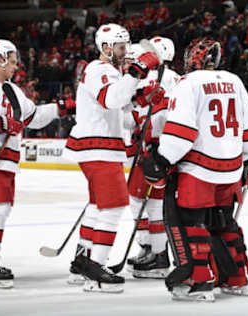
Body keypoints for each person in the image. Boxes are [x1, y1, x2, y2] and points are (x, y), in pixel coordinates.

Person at [142, 39, 248, 301]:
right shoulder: (235, 81)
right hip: (230, 170)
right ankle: (236, 278)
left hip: (197, 170)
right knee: (224, 222)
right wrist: (246, 159)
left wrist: (162, 160)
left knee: (190, 222)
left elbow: (182, 134)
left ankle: (197, 281)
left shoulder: (188, 84)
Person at [0, 39, 73, 289]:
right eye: (11, 61)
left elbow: (33, 117)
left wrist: (59, 109)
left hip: (5, 158)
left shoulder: (11, 89)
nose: (15, 65)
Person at [63, 23, 160, 293]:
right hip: (99, 150)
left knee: (97, 206)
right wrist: (136, 74)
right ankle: (97, 269)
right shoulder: (99, 70)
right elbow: (112, 100)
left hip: (99, 149)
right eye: (120, 46)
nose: (125, 51)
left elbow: (121, 106)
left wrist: (142, 97)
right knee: (114, 206)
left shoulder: (109, 71)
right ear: (106, 48)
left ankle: (82, 263)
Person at [126, 37, 181, 279]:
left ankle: (159, 256)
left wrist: (149, 135)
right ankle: (149, 247)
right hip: (151, 144)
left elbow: (164, 114)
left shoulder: (167, 78)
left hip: (158, 147)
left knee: (154, 202)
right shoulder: (160, 77)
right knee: (139, 200)